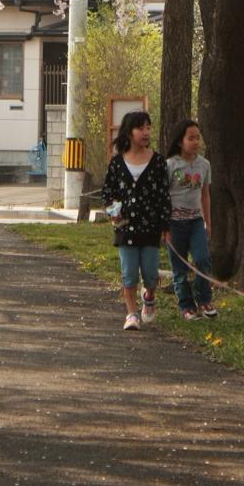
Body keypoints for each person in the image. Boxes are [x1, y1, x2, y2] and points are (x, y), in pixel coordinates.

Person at [102, 110, 171, 331]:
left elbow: (164, 196)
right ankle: (131, 313)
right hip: (125, 229)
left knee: (150, 274)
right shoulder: (116, 163)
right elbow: (107, 193)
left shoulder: (158, 162)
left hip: (151, 228)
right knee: (129, 273)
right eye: (141, 128)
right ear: (129, 132)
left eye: (148, 127)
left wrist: (165, 226)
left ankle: (149, 296)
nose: (146, 132)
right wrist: (114, 211)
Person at [165, 120, 216, 320]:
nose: (196, 142)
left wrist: (208, 222)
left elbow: (205, 195)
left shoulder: (204, 165)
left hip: (196, 221)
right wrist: (164, 226)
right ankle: (186, 305)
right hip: (174, 223)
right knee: (180, 268)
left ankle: (205, 299)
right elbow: (163, 196)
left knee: (203, 259)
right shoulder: (170, 165)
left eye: (198, 137)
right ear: (180, 141)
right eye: (191, 138)